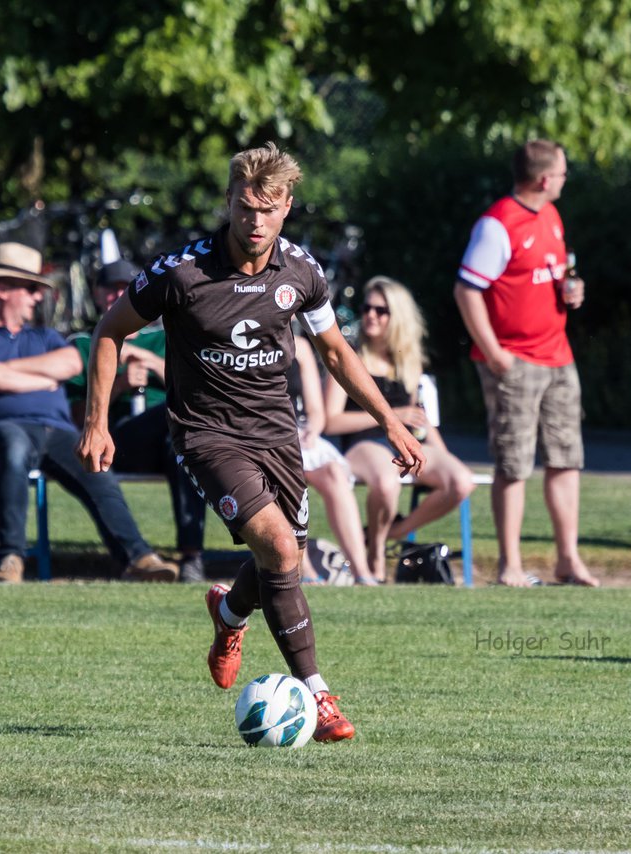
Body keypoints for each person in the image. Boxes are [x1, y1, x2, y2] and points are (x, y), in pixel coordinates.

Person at [76, 143, 426, 743]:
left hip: (276, 432)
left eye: (267, 210)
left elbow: (336, 351)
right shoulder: (181, 272)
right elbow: (109, 330)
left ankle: (230, 611)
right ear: (229, 202)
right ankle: (318, 697)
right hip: (205, 432)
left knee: (282, 550)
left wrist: (390, 419)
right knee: (281, 551)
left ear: (286, 207)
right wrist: (96, 421)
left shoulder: (301, 271)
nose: (254, 222)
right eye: (244, 208)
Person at [0, 241, 180, 584]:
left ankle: (138, 557)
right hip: (3, 426)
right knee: (13, 454)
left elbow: (71, 362)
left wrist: (5, 375)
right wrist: (41, 378)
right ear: (3, 289)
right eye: (30, 289)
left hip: (56, 429)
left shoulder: (47, 337)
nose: (37, 297)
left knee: (97, 470)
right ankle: (10, 557)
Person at [452, 139, 599, 587]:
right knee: (514, 463)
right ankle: (509, 565)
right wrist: (496, 355)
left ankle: (568, 560)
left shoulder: (550, 216)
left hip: (558, 356)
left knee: (566, 460)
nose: (565, 179)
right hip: (515, 362)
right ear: (543, 178)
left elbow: (549, 276)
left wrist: (571, 292)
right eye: (562, 172)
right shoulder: (498, 224)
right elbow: (466, 290)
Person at [323, 276, 477, 582]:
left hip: (403, 442)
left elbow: (422, 421)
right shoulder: (347, 354)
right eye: (367, 308)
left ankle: (387, 534)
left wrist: (440, 457)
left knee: (460, 480)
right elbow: (330, 420)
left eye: (381, 311)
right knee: (386, 480)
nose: (371, 315)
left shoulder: (409, 362)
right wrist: (391, 415)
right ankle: (375, 553)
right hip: (362, 444)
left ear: (397, 317)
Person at [66, 259, 210, 583]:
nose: (118, 294)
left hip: (171, 440)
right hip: (118, 442)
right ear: (97, 293)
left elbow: (196, 389)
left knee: (179, 445)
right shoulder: (86, 344)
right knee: (172, 418)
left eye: (125, 288)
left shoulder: (166, 338)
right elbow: (77, 420)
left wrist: (154, 364)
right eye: (112, 288)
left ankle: (191, 556)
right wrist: (119, 385)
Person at [288, 332, 375, 586]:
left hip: (300, 432)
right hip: (264, 435)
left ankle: (361, 572)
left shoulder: (301, 346)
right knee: (284, 474)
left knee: (335, 473)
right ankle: (305, 572)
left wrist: (312, 429)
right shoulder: (246, 339)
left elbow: (316, 411)